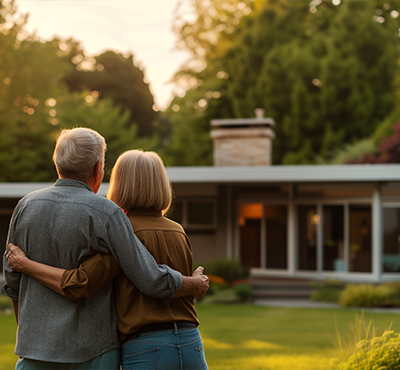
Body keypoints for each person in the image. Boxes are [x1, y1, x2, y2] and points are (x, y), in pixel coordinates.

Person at [3, 128, 208, 370]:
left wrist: (28, 332)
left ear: (57, 162)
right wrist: (194, 284)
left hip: (35, 350)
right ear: (98, 167)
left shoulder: (24, 206)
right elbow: (149, 278)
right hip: (99, 351)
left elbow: (14, 283)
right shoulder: (113, 215)